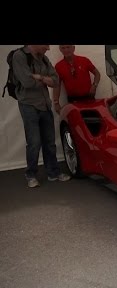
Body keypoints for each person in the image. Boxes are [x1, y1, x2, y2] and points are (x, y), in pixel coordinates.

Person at [12, 45, 71, 188]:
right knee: (34, 142)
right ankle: (31, 175)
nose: (49, 48)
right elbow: (27, 82)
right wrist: (45, 79)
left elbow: (56, 80)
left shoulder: (43, 58)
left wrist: (38, 77)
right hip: (28, 105)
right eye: (46, 45)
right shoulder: (19, 56)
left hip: (45, 105)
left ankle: (53, 173)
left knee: (50, 141)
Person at [52, 45, 101, 114]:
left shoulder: (84, 60)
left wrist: (94, 86)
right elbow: (57, 85)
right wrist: (56, 103)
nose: (66, 50)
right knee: (76, 123)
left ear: (73, 48)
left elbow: (97, 74)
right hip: (73, 101)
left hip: (89, 98)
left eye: (68, 47)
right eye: (63, 48)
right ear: (60, 50)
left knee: (91, 121)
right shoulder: (58, 66)